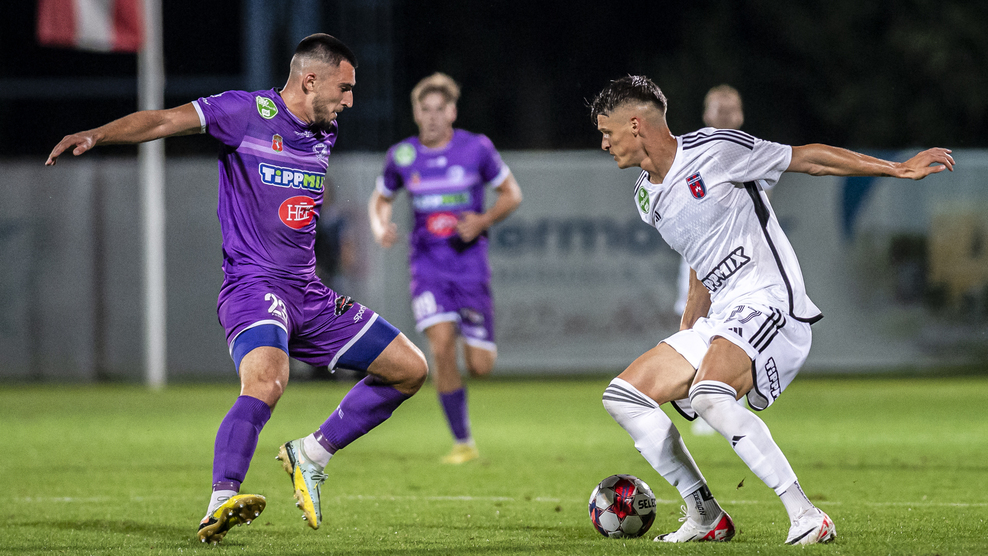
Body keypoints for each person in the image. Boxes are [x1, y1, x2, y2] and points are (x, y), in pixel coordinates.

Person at [46, 34, 429, 545]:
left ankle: (311, 454)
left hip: (309, 293)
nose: (350, 100)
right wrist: (98, 135)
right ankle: (220, 501)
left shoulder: (324, 129)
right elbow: (162, 121)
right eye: (344, 88)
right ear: (309, 80)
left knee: (410, 369)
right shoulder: (243, 112)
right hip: (253, 286)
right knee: (268, 380)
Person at [591, 75, 952, 545]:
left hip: (771, 301)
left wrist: (896, 169)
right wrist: (687, 334)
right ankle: (705, 516)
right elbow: (699, 261)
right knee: (623, 396)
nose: (604, 143)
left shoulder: (716, 149)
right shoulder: (646, 196)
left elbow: (807, 158)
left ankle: (807, 516)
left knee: (709, 396)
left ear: (636, 125)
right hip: (724, 315)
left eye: (607, 132)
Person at [368, 73, 522, 464]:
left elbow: (512, 194)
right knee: (440, 346)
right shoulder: (402, 156)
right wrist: (380, 226)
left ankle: (464, 423)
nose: (433, 117)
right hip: (427, 269)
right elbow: (380, 199)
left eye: (440, 109)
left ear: (452, 112)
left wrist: (483, 220)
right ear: (416, 113)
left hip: (470, 269)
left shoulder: (477, 148)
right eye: (426, 109)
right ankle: (463, 442)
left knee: (480, 366)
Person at [677, 85, 745, 437]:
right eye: (720, 110)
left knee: (737, 326)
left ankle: (727, 398)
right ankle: (700, 398)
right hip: (699, 255)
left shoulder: (748, 152)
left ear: (741, 115)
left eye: (732, 110)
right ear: (707, 115)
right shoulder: (691, 154)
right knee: (693, 324)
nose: (727, 116)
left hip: (739, 260)